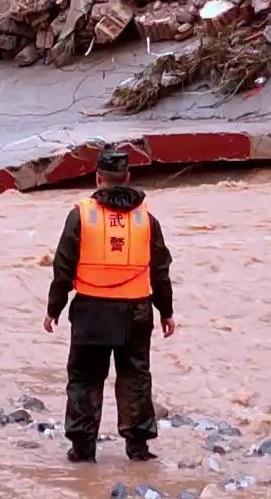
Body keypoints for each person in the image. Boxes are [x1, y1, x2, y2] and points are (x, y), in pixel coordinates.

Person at [44, 149, 175, 463]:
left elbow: (63, 266)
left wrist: (54, 307)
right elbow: (160, 269)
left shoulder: (81, 214)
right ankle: (138, 448)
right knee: (135, 377)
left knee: (85, 378)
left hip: (92, 310)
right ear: (127, 178)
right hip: (137, 311)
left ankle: (83, 448)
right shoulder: (146, 218)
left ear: (97, 178)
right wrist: (166, 311)